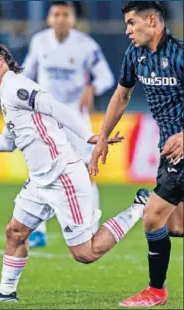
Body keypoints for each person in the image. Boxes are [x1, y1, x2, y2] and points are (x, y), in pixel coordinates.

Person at [0, 40, 150, 303]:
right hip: (40, 180)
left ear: (0, 61)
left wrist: (90, 136)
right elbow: (8, 142)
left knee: (85, 253)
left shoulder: (16, 86)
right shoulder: (6, 94)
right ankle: (6, 293)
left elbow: (56, 106)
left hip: (62, 176)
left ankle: (138, 208)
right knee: (15, 231)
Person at [88, 1, 183, 307]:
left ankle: (156, 291)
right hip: (170, 149)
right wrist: (102, 137)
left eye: (131, 23)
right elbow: (121, 94)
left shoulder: (180, 54)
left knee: (153, 218)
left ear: (152, 20)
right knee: (176, 225)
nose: (127, 31)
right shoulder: (135, 55)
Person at [22, 1, 115, 248]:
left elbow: (106, 77)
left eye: (65, 14)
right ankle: (37, 230)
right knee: (40, 171)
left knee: (86, 171)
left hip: (74, 115)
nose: (61, 19)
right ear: (49, 18)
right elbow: (27, 73)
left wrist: (92, 87)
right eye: (56, 14)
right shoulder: (39, 42)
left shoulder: (86, 45)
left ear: (72, 19)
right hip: (46, 115)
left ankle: (91, 228)